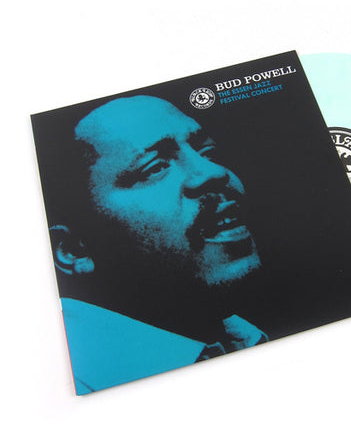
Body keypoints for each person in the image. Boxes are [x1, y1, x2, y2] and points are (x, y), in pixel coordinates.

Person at [39, 95, 268, 394]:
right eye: (154, 167)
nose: (216, 172)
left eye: (207, 152)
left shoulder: (244, 339)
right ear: (74, 251)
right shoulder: (71, 385)